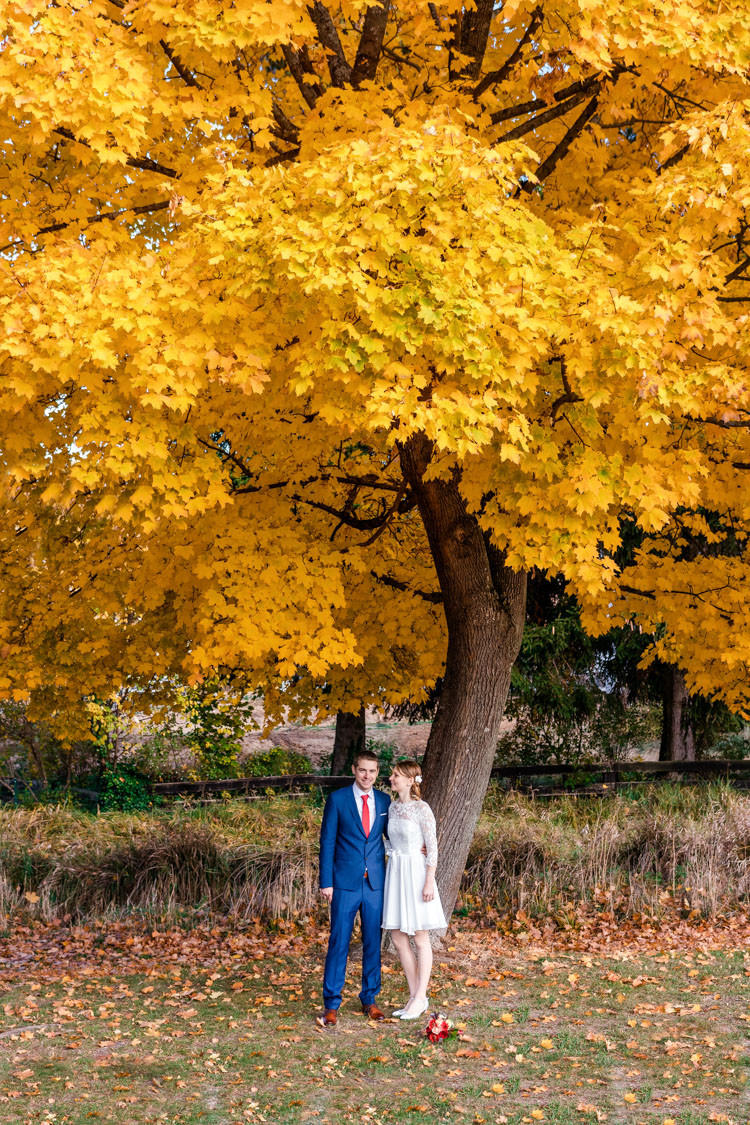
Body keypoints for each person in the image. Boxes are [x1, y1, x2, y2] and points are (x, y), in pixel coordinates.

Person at [318, 748, 391, 1027]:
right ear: (353, 770)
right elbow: (327, 842)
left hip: (374, 884)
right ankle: (331, 1003)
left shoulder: (384, 800)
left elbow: (390, 836)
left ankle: (369, 999)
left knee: (373, 942)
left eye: (372, 771)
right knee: (339, 942)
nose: (367, 776)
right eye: (363, 770)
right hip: (344, 884)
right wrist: (326, 881)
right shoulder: (337, 800)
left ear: (377, 773)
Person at [382, 758, 447, 1020]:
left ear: (410, 780)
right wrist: (391, 852)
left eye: (396, 775)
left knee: (420, 937)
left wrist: (429, 880)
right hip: (396, 872)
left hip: (418, 874)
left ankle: (421, 997)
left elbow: (432, 847)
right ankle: (413, 997)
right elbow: (387, 842)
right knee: (397, 937)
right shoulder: (392, 808)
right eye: (392, 775)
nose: (391, 779)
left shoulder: (423, 809)